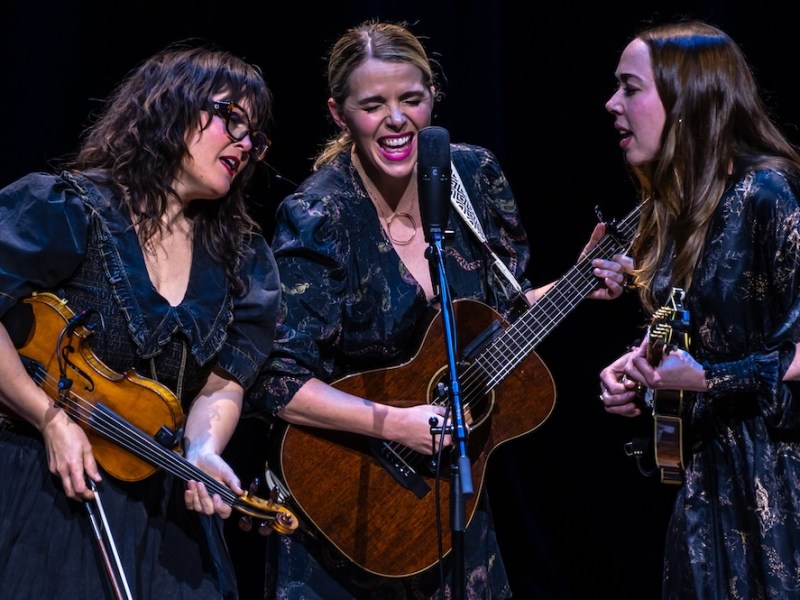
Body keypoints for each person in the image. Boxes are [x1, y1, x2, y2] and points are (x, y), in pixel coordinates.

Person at [247, 20, 629, 599]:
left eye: (411, 99)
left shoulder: (472, 177)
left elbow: (498, 316)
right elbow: (277, 382)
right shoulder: (320, 216)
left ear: (433, 99)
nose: (396, 120)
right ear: (339, 113)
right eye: (373, 105)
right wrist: (400, 423)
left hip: (449, 504)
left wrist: (575, 284)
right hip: (351, 505)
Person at [0, 43, 282, 599]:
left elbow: (226, 382)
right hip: (44, 479)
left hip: (164, 515)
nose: (245, 144)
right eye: (231, 119)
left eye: (255, 135)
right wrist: (51, 418)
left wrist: (202, 450)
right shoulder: (70, 208)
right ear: (171, 108)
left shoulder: (242, 261)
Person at [598, 19, 800, 599]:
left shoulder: (767, 194)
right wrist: (642, 369)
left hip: (772, 486)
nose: (613, 103)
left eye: (630, 88)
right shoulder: (676, 206)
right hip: (704, 486)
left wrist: (708, 378)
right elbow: (695, 329)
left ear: (685, 101)